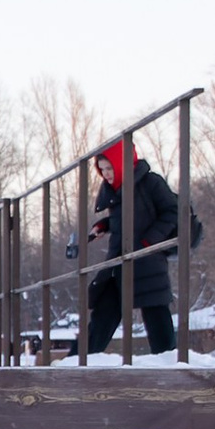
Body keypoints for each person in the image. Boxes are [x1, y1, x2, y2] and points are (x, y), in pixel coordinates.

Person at [79, 137, 189, 354]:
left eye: (110, 168)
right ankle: (75, 364)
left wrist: (149, 242)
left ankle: (171, 371)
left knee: (157, 322)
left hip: (147, 261)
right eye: (102, 170)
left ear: (122, 163)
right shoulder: (117, 190)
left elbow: (174, 211)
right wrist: (104, 225)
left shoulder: (150, 182)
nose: (107, 174)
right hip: (119, 261)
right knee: (103, 314)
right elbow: (128, 220)